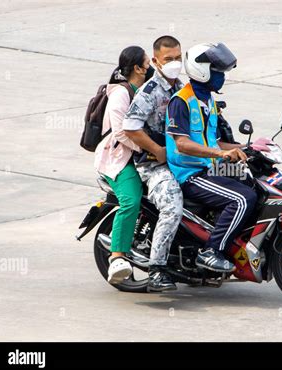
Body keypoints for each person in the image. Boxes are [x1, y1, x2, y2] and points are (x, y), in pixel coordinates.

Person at [166, 42, 257, 273]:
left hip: (209, 168)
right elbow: (182, 143)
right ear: (202, 70)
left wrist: (251, 148)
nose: (222, 77)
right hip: (189, 174)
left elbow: (215, 143)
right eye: (218, 72)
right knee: (242, 199)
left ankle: (237, 244)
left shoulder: (209, 102)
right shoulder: (181, 101)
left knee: (254, 182)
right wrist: (220, 153)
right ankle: (212, 251)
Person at [123, 36, 184, 292]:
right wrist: (157, 150)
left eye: (178, 58)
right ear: (156, 61)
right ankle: (158, 269)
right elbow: (130, 127)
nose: (174, 64)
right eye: (168, 59)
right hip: (155, 166)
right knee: (172, 206)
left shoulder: (182, 87)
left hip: (183, 160)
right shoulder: (150, 92)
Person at [94, 46, 155, 284]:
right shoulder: (121, 93)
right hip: (119, 159)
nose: (151, 67)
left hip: (144, 157)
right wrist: (149, 148)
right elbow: (121, 132)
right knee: (131, 199)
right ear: (138, 68)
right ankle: (117, 256)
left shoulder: (146, 88)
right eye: (148, 63)